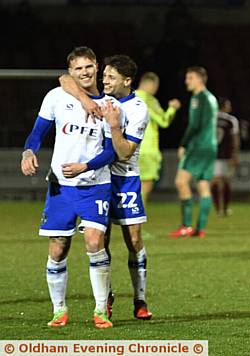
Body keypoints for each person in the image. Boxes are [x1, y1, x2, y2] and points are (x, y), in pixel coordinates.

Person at [21, 46, 119, 328]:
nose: (84, 72)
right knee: (57, 249)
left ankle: (100, 310)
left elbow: (110, 153)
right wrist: (29, 151)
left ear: (97, 67)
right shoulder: (57, 96)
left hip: (95, 185)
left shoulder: (111, 106)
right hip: (61, 186)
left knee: (93, 241)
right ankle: (59, 310)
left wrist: (85, 167)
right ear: (71, 72)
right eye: (78, 69)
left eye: (88, 67)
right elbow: (37, 132)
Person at [59, 54, 153, 320]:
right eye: (105, 76)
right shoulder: (102, 98)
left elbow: (123, 153)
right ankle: (107, 295)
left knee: (133, 239)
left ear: (127, 80)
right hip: (99, 179)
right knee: (101, 239)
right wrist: (86, 99)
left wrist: (113, 125)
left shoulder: (137, 109)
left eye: (111, 77)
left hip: (125, 179)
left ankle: (140, 299)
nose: (105, 81)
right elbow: (65, 79)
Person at [169, 66, 218, 238]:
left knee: (181, 182)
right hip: (210, 147)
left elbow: (195, 125)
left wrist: (183, 143)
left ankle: (186, 226)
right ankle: (201, 228)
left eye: (190, 78)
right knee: (203, 185)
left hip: (198, 146)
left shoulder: (199, 98)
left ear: (199, 79)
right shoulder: (212, 98)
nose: (186, 81)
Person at [135, 72, 181, 207]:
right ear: (152, 84)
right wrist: (172, 108)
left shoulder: (129, 97)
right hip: (148, 150)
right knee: (146, 185)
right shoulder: (149, 100)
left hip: (131, 148)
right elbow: (163, 121)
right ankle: (137, 218)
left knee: (131, 185)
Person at [211, 97, 240, 217]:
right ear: (225, 106)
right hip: (226, 155)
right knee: (226, 181)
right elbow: (235, 139)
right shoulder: (231, 120)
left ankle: (218, 210)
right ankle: (225, 208)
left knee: (215, 182)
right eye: (229, 104)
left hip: (212, 155)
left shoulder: (211, 118)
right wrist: (235, 154)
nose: (230, 106)